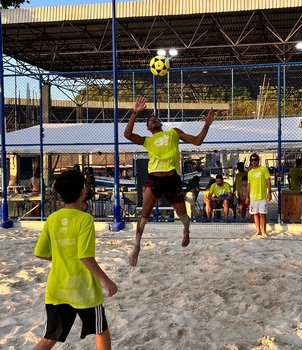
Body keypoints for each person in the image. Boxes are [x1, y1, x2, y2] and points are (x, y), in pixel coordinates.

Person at [124, 96, 215, 266]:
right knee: (144, 215)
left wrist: (207, 124)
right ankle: (136, 246)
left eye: (155, 119)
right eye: (150, 120)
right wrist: (134, 113)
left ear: (159, 123)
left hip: (172, 179)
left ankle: (186, 230)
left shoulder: (173, 132)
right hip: (154, 179)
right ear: (148, 127)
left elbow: (197, 141)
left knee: (183, 216)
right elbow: (127, 134)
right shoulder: (148, 140)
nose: (153, 120)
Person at [33, 170, 117, 350]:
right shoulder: (85, 219)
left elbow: (40, 252)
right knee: (100, 330)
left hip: (57, 289)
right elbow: (85, 256)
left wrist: (63, 255)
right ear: (82, 193)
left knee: (50, 337)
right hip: (84, 290)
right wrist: (105, 279)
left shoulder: (52, 219)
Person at [245, 153, 272, 237]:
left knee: (263, 214)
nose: (254, 162)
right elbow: (248, 185)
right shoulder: (250, 173)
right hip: (253, 197)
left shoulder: (263, 169)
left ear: (258, 160)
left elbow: (268, 181)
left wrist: (269, 192)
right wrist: (247, 196)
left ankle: (264, 231)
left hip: (262, 196)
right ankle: (258, 230)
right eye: (252, 160)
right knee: (255, 214)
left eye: (255, 160)